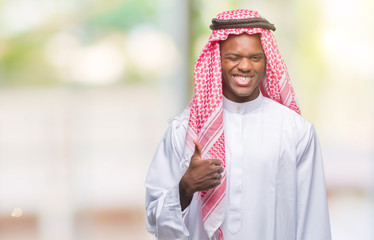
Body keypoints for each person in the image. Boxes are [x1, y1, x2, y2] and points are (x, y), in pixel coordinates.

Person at [145, 9, 331, 240]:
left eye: (255, 57)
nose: (245, 66)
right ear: (216, 61)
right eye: (233, 57)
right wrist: (185, 188)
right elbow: (154, 220)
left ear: (267, 62)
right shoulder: (184, 130)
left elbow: (314, 223)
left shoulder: (296, 131)